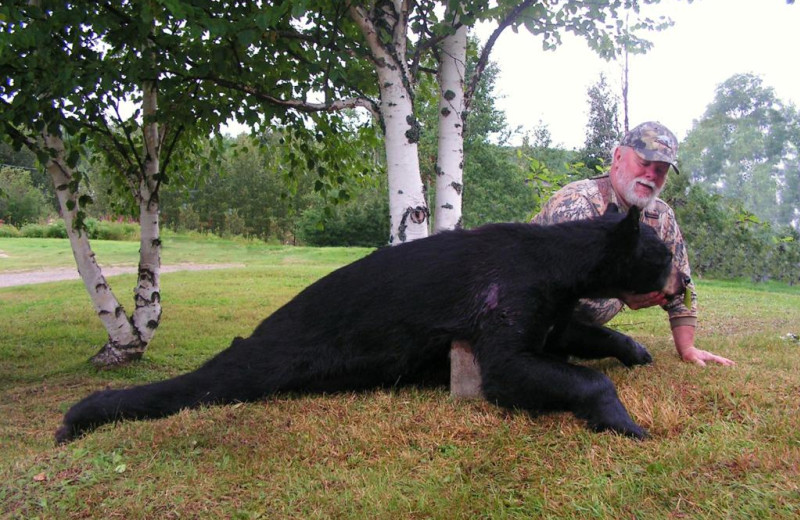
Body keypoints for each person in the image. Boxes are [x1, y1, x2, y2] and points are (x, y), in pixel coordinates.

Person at [532, 121, 734, 367]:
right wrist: (623, 293)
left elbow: (683, 285)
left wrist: (687, 347)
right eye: (644, 163)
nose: (651, 175)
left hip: (576, 332)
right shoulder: (577, 203)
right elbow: (560, 289)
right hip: (534, 321)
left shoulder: (661, 216)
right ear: (618, 156)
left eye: (661, 170)